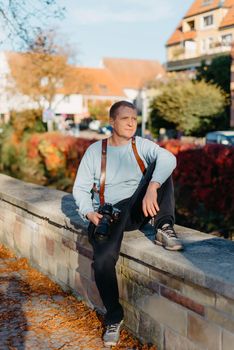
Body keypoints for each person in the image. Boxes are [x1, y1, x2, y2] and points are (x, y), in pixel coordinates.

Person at [73, 100, 183, 347]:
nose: (132, 123)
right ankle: (114, 315)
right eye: (125, 118)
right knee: (102, 261)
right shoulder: (96, 151)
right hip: (109, 214)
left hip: (137, 208)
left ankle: (164, 227)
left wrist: (152, 186)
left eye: (134, 118)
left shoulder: (140, 145)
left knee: (161, 164)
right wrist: (89, 213)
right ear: (112, 122)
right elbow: (79, 189)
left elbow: (169, 158)